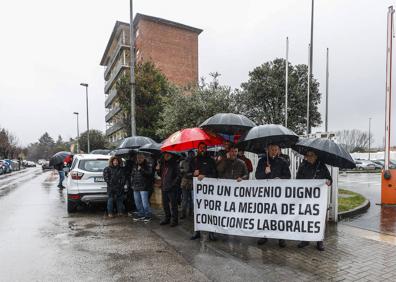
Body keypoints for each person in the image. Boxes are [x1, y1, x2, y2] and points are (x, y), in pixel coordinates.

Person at [255, 144, 291, 248]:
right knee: (266, 215)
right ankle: (264, 235)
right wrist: (265, 172)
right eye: (272, 149)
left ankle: (281, 237)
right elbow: (257, 176)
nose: (274, 151)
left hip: (279, 194)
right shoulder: (262, 161)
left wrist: (280, 179)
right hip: (266, 193)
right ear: (267, 150)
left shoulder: (283, 161)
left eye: (276, 149)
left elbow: (288, 176)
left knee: (279, 215)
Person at [296, 150, 332, 251]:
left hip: (318, 199)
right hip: (306, 198)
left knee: (318, 219)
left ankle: (319, 241)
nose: (310, 157)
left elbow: (329, 178)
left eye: (312, 155)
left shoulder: (321, 166)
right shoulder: (303, 166)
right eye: (308, 155)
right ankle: (305, 239)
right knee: (305, 219)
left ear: (316, 156)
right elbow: (297, 180)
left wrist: (329, 181)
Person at [190, 142, 218, 241]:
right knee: (197, 210)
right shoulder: (193, 160)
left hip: (208, 190)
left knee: (210, 210)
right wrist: (193, 173)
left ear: (206, 149)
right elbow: (186, 174)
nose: (202, 149)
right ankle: (197, 231)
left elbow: (215, 174)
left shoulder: (210, 160)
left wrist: (205, 176)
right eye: (200, 148)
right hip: (196, 190)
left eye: (204, 148)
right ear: (198, 149)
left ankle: (211, 232)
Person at [157, 152, 181, 227]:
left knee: (173, 205)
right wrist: (158, 169)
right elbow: (161, 174)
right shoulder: (163, 164)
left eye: (168, 155)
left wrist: (172, 185)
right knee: (165, 204)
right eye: (165, 154)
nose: (166, 156)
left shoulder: (175, 164)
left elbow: (179, 176)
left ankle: (175, 220)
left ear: (171, 155)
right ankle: (167, 218)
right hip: (164, 187)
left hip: (172, 188)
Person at [130, 153, 153, 223]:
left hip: (144, 187)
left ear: (144, 158)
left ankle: (148, 215)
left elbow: (149, 174)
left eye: (140, 158)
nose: (139, 159)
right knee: (137, 202)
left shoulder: (147, 165)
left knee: (145, 203)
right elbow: (132, 175)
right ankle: (141, 214)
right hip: (136, 187)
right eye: (138, 158)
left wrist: (141, 170)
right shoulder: (135, 165)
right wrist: (132, 184)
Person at [180, 150, 195, 219]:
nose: (191, 156)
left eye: (192, 154)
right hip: (185, 182)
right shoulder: (183, 162)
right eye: (191, 154)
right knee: (185, 199)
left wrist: (190, 173)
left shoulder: (195, 162)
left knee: (191, 199)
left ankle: (190, 213)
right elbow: (180, 171)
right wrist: (184, 172)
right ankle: (184, 213)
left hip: (192, 183)